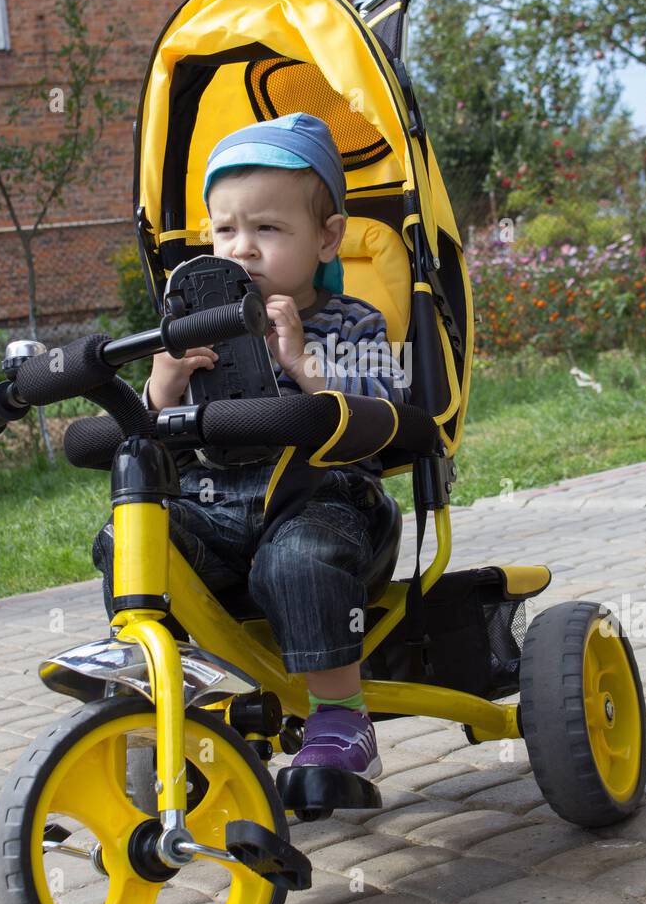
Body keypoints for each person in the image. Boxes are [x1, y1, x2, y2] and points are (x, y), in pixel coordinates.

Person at [92, 112, 410, 780]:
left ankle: (341, 720)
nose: (242, 249)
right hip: (218, 516)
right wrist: (162, 387)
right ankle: (160, 709)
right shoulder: (189, 335)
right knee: (135, 537)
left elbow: (386, 410)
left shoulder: (352, 321)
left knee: (299, 556)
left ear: (327, 239)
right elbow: (161, 451)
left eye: (267, 229)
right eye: (226, 230)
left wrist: (303, 366)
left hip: (325, 507)